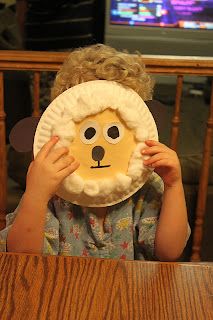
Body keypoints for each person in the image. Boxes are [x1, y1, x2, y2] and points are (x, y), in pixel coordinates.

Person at [0, 44, 190, 261]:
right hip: (63, 290)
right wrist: (36, 195)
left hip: (129, 292)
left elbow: (169, 252)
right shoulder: (52, 187)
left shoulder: (145, 183)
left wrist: (173, 185)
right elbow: (21, 256)